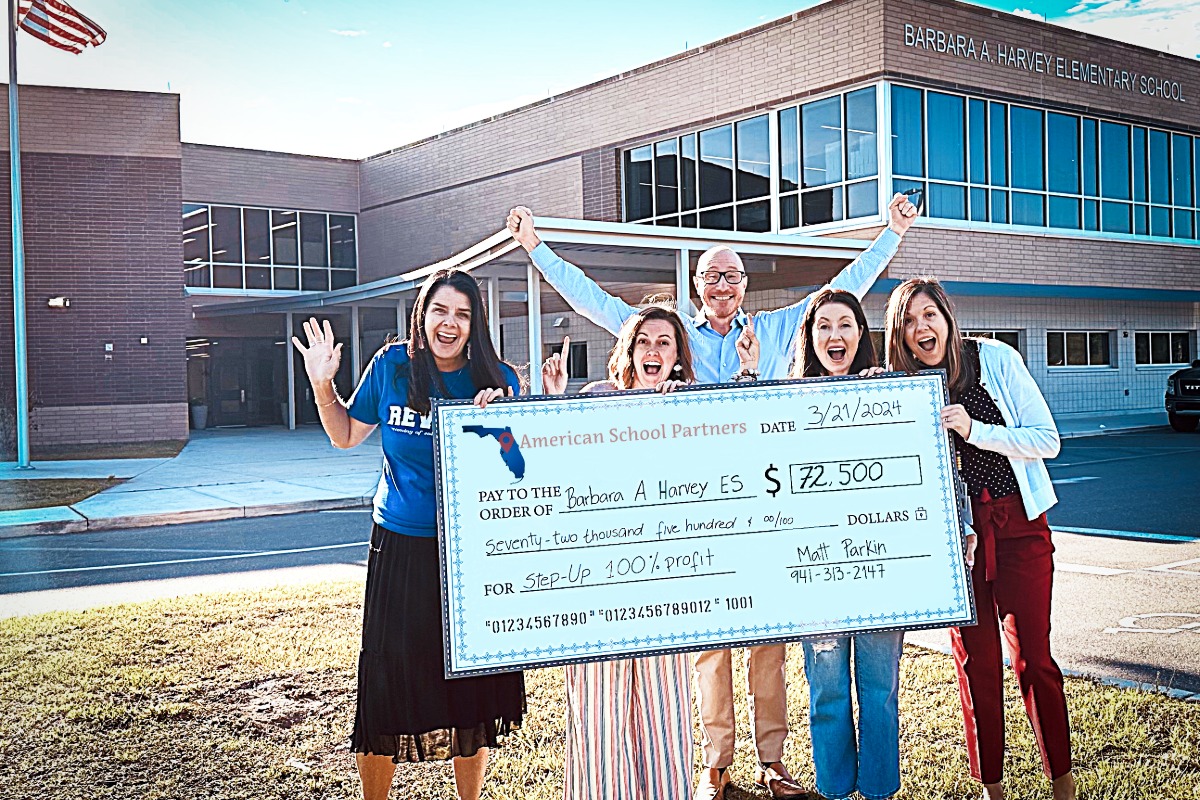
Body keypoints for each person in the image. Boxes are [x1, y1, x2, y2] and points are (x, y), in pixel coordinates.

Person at [507, 194, 919, 800]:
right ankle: (716, 764)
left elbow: (847, 286)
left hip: (764, 509)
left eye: (732, 275)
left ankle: (773, 762)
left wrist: (892, 234)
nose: (722, 284)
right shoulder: (672, 337)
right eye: (710, 276)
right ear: (696, 286)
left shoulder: (778, 328)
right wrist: (537, 249)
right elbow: (595, 301)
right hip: (697, 513)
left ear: (745, 284)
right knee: (709, 653)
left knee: (770, 645)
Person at [291, 267, 526, 800]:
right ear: (422, 314)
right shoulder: (394, 366)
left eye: (463, 314)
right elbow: (346, 435)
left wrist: (499, 425)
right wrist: (321, 382)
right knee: (387, 678)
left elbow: (517, 468)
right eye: (440, 310)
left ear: (476, 323)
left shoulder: (497, 379)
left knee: (468, 679)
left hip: (468, 550)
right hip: (398, 543)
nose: (451, 323)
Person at [883, 278, 1076, 800]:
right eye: (908, 320)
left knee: (1034, 659)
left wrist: (974, 429)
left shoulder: (994, 359)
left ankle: (1063, 785)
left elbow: (1047, 440)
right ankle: (992, 788)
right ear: (898, 335)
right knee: (976, 665)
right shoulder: (902, 388)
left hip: (1019, 528)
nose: (921, 327)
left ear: (947, 316)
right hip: (957, 541)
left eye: (929, 314)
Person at [738, 288, 905, 800]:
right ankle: (834, 789)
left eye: (846, 325)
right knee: (827, 691)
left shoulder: (886, 393)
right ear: (810, 339)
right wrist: (748, 375)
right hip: (816, 578)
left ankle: (877, 789)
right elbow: (748, 452)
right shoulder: (788, 402)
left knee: (879, 692)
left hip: (878, 568)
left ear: (861, 335)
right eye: (824, 326)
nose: (836, 335)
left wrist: (891, 397)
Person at [540, 306, 694, 800]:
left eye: (664, 342)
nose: (653, 350)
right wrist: (553, 403)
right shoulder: (594, 400)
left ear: (676, 356)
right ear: (628, 350)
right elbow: (552, 474)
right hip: (597, 589)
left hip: (664, 587)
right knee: (598, 716)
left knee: (664, 711)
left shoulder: (691, 405)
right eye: (644, 340)